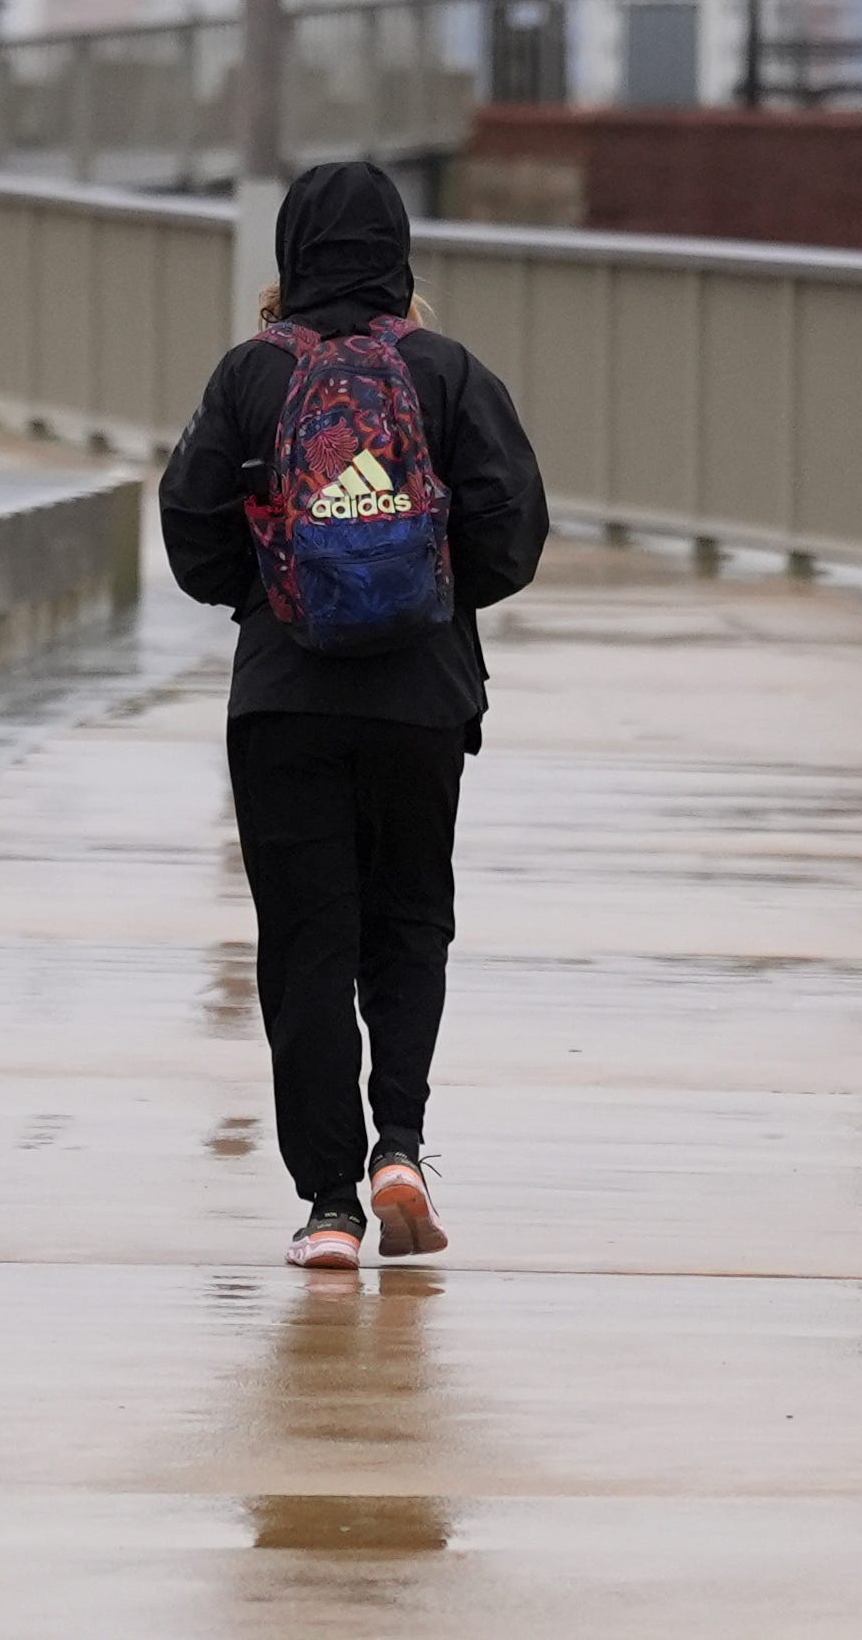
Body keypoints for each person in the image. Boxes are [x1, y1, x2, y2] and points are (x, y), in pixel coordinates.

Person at [159, 160, 550, 1269]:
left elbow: (190, 530)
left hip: (283, 697)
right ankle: (402, 1147)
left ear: (288, 250)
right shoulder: (445, 371)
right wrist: (423, 593)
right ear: (398, 249)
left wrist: (272, 588)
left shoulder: (250, 377)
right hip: (421, 700)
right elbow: (512, 532)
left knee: (305, 943)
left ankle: (327, 1201)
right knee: (408, 921)